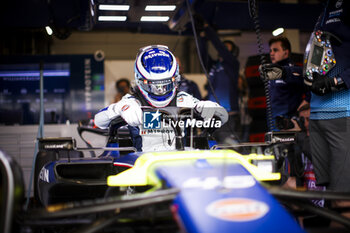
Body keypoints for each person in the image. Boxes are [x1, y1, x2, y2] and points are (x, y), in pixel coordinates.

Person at [94, 45, 228, 152]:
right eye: (153, 86)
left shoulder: (183, 100)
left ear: (176, 79)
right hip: (143, 166)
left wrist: (210, 108)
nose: (160, 90)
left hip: (180, 162)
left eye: (166, 84)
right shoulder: (132, 101)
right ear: (140, 80)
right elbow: (99, 121)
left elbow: (222, 117)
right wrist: (120, 108)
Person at [306, 0, 350, 193]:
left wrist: (336, 82)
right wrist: (285, 73)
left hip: (342, 113)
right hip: (317, 116)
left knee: (341, 197)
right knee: (329, 195)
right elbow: (315, 66)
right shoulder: (325, 9)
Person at [199, 23, 240, 143]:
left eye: (226, 48)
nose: (222, 50)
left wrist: (207, 28)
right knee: (212, 147)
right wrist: (202, 37)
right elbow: (203, 55)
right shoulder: (213, 66)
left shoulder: (233, 65)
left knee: (228, 148)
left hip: (228, 116)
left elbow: (219, 47)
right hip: (212, 116)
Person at [260, 36, 310, 127]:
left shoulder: (294, 71)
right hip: (273, 122)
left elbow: (311, 89)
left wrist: (304, 104)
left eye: (275, 50)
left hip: (288, 123)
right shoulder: (272, 73)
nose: (271, 53)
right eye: (270, 50)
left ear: (286, 52)